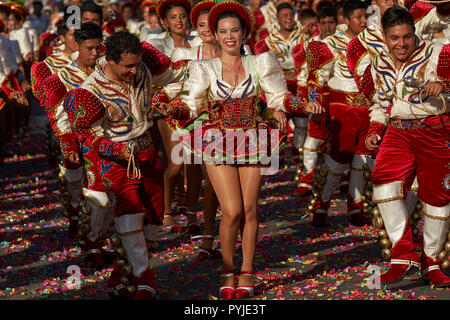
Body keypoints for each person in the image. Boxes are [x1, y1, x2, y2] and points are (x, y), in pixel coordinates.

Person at [155, 0, 321, 299]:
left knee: (248, 209)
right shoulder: (203, 67)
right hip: (217, 141)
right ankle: (227, 270)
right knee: (230, 211)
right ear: (215, 35)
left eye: (234, 30)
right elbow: (191, 104)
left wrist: (303, 105)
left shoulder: (262, 63)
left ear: (245, 32)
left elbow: (279, 97)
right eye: (223, 31)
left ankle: (246, 272)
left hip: (253, 140)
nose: (229, 36)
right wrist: (174, 108)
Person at [65, 31, 187, 300]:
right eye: (127, 66)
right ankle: (145, 280)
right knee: (130, 213)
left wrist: (164, 99)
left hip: (147, 151)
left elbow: (175, 79)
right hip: (116, 162)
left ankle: (121, 273)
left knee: (155, 216)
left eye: (136, 64)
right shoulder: (90, 90)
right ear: (109, 60)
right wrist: (115, 149)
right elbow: (87, 136)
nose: (134, 70)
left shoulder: (143, 68)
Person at [363, 6, 449, 287]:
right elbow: (379, 105)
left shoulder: (439, 52)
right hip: (398, 132)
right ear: (385, 37)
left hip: (435, 132)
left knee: (437, 198)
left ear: (414, 33)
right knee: (382, 184)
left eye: (407, 37)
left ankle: (431, 261)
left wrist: (443, 87)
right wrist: (374, 130)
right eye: (394, 38)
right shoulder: (377, 63)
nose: (401, 44)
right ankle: (403, 256)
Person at [43, 22, 114, 268]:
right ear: (78, 47)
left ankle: (99, 239)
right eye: (90, 48)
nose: (95, 54)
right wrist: (68, 146)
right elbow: (60, 116)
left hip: (110, 140)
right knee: (95, 190)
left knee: (109, 191)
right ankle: (92, 243)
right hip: (81, 141)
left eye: (98, 48)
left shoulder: (107, 70)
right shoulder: (63, 76)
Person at [306, 0, 372, 228]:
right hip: (341, 111)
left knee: (362, 162)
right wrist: (315, 108)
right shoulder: (331, 43)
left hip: (368, 111)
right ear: (345, 19)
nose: (364, 21)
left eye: (366, 16)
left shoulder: (375, 40)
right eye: (359, 17)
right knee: (336, 163)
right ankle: (321, 203)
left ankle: (355, 205)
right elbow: (315, 77)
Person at [31, 18, 81, 237]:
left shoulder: (94, 58)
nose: (78, 39)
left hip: (92, 129)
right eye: (72, 34)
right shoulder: (49, 65)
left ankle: (91, 230)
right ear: (61, 38)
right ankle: (75, 212)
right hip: (63, 125)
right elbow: (44, 97)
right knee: (72, 172)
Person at [291, 5, 336, 196]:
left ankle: (338, 179)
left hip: (337, 96)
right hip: (316, 95)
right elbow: (301, 72)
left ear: (337, 22)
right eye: (323, 23)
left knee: (336, 140)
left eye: (331, 23)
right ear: (318, 24)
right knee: (313, 138)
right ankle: (307, 179)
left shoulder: (343, 42)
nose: (327, 27)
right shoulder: (309, 44)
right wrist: (304, 96)